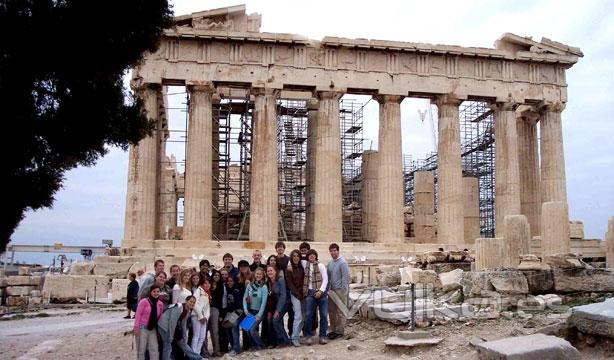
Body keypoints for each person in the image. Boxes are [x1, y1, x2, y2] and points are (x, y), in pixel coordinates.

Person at [158, 295, 204, 360]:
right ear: (186, 301)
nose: (192, 303)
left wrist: (185, 337)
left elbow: (183, 325)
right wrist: (171, 336)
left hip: (172, 326)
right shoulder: (178, 307)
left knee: (182, 343)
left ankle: (198, 358)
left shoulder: (187, 311)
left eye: (194, 302)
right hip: (164, 325)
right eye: (190, 301)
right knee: (167, 345)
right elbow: (172, 322)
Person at [302, 249, 329, 345]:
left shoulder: (321, 265)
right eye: (310, 255)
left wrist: (321, 291)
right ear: (307, 257)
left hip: (321, 292)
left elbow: (325, 279)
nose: (312, 256)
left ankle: (323, 336)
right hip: (310, 292)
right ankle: (308, 336)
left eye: (313, 255)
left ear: (316, 256)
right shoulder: (305, 264)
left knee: (324, 315)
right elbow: (294, 257)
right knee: (308, 315)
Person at [326, 243, 350, 340]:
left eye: (335, 250)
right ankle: (333, 329)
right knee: (331, 311)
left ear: (338, 251)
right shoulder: (330, 263)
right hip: (331, 290)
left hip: (340, 290)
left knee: (341, 311)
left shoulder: (343, 263)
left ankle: (340, 331)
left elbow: (345, 277)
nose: (333, 252)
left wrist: (344, 291)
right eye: (331, 251)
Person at [134, 285, 164, 360]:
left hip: (152, 329)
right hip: (142, 328)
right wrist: (136, 327)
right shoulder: (144, 301)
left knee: (154, 350)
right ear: (150, 292)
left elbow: (159, 317)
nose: (156, 293)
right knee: (141, 350)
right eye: (154, 291)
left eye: (158, 292)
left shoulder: (160, 304)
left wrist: (159, 331)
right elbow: (138, 314)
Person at [243, 267, 268, 350]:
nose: (258, 275)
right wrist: (246, 310)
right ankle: (254, 345)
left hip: (259, 311)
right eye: (257, 274)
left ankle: (260, 345)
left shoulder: (264, 287)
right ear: (254, 274)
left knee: (252, 329)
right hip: (250, 311)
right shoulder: (249, 285)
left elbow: (264, 302)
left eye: (260, 274)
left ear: (263, 275)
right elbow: (244, 298)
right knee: (246, 328)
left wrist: (259, 314)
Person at [265, 265, 289, 347]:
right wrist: (270, 311)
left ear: (275, 271)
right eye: (268, 271)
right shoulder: (268, 282)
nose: (269, 272)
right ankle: (276, 341)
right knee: (270, 320)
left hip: (284, 303)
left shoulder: (280, 280)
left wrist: (277, 310)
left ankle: (284, 340)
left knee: (276, 320)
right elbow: (270, 296)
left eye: (271, 270)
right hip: (274, 304)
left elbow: (283, 296)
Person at [285, 250, 305, 347]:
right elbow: (290, 285)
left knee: (304, 317)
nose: (296, 258)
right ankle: (294, 337)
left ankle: (295, 335)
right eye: (294, 256)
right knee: (298, 316)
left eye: (297, 256)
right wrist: (298, 295)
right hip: (295, 295)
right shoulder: (289, 270)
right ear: (291, 258)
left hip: (303, 295)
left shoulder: (302, 267)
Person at [204, 270, 222, 357]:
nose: (216, 276)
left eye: (218, 275)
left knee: (214, 331)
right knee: (204, 331)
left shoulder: (221, 286)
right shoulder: (207, 285)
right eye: (215, 275)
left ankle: (216, 351)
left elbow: (221, 301)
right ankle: (205, 352)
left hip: (215, 309)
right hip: (205, 309)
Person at [191, 277, 211, 354]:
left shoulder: (207, 293)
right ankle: (193, 355)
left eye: (209, 283)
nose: (207, 284)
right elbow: (194, 304)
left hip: (203, 318)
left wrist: (206, 317)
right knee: (196, 336)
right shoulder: (198, 291)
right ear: (202, 284)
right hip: (196, 316)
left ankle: (197, 354)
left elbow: (207, 307)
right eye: (205, 283)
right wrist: (201, 316)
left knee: (202, 337)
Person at [224, 276, 242, 356]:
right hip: (230, 312)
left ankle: (236, 348)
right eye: (228, 281)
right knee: (227, 327)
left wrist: (233, 315)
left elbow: (238, 304)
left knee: (234, 327)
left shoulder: (236, 290)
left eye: (231, 281)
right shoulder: (227, 290)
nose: (229, 282)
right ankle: (233, 346)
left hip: (237, 311)